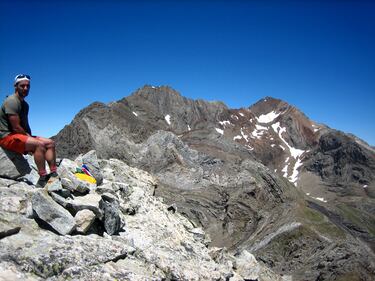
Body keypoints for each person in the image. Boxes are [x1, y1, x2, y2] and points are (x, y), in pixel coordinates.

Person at [0, 74, 58, 187]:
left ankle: (53, 173)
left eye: (28, 86)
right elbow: (16, 127)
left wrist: (29, 137)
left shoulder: (25, 105)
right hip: (6, 136)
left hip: (17, 134)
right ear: (15, 86)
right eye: (22, 86)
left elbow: (25, 125)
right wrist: (31, 140)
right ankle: (42, 178)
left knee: (50, 143)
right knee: (39, 145)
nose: (26, 88)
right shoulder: (12, 101)